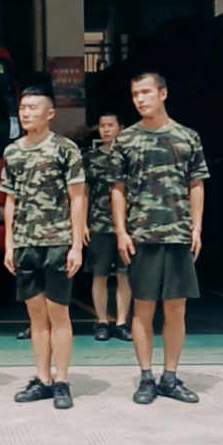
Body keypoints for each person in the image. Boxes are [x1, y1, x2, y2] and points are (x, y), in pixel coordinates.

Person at [110, 72, 207, 405]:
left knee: (177, 309)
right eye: (135, 93)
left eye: (146, 92)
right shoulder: (126, 140)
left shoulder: (187, 137)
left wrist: (196, 227)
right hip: (142, 236)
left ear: (163, 93)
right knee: (143, 308)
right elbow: (117, 189)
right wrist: (121, 231)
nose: (140, 99)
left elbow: (197, 183)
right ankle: (146, 377)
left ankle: (171, 376)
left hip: (178, 234)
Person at [1, 86, 87, 409]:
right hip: (25, 243)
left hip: (57, 243)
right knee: (36, 317)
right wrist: (9, 243)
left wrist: (76, 244)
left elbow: (77, 198)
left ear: (50, 113)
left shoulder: (66, 149)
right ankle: (42, 378)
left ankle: (62, 380)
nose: (26, 113)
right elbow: (9, 199)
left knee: (58, 314)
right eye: (22, 107)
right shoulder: (13, 152)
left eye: (33, 108)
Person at [83, 111, 133, 342]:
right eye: (102, 126)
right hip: (99, 222)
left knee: (125, 275)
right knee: (99, 274)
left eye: (110, 125)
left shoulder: (130, 154)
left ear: (120, 128)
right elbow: (84, 192)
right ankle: (102, 322)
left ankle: (122, 322)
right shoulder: (90, 158)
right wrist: (83, 223)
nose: (105, 130)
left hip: (127, 223)